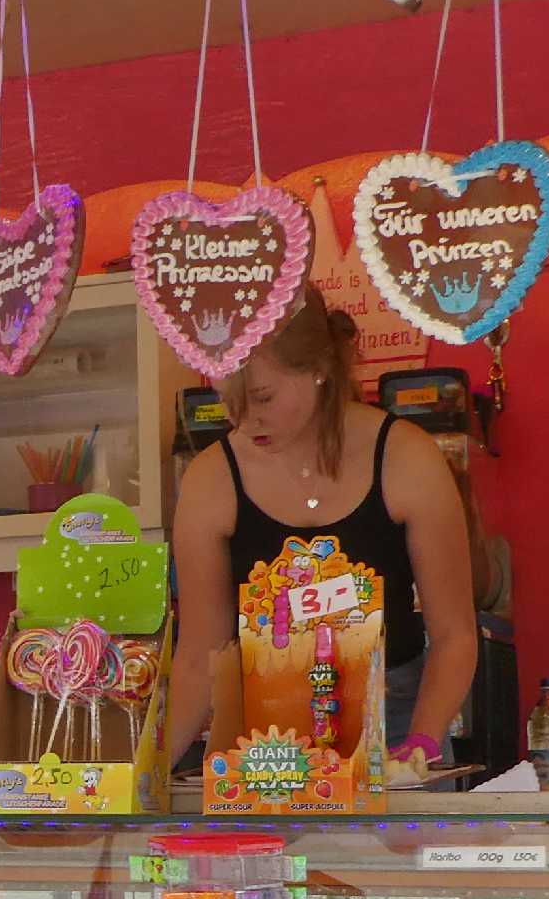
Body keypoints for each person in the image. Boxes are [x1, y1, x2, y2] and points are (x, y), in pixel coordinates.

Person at [158, 285, 481, 773]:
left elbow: (454, 634)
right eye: (227, 400)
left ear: (319, 369)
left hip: (397, 721)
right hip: (271, 741)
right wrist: (149, 771)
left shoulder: (406, 458)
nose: (244, 419)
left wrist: (420, 744)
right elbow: (198, 659)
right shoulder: (211, 479)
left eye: (262, 397)